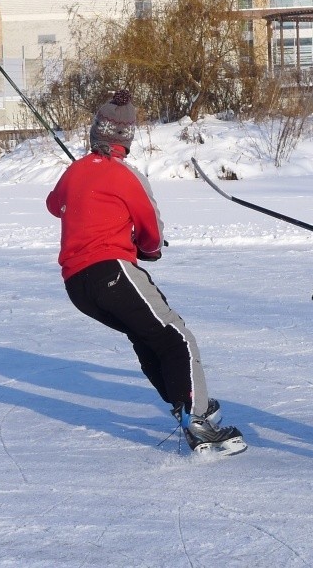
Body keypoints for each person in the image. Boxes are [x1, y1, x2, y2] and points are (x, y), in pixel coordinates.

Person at [46, 89, 246, 456]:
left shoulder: (74, 171)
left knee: (145, 336)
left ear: (95, 133)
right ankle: (198, 417)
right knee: (176, 336)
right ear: (127, 138)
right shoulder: (127, 177)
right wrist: (148, 251)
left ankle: (183, 402)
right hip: (113, 271)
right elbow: (152, 230)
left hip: (77, 285)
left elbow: (54, 205)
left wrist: (82, 180)